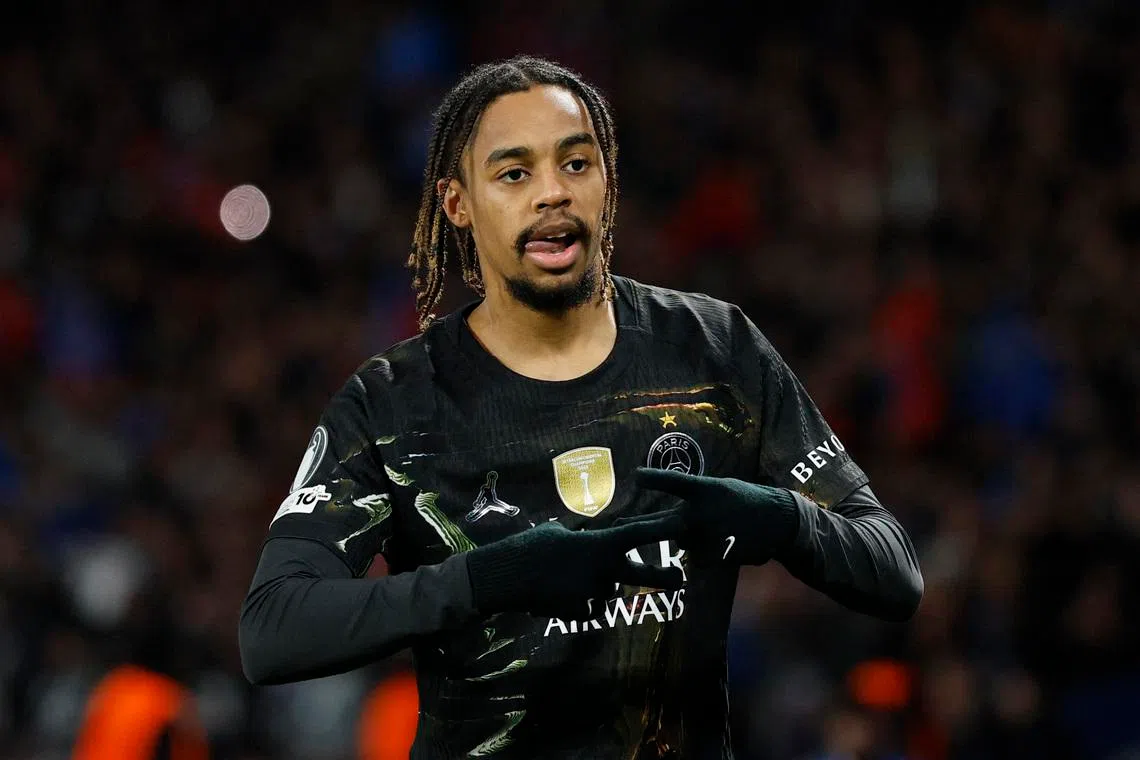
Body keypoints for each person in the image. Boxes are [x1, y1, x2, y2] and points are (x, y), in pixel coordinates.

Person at [238, 55, 923, 759]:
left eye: (576, 164)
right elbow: (274, 630)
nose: (551, 194)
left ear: (607, 185)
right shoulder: (393, 402)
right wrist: (484, 580)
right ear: (457, 204)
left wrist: (784, 522)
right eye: (514, 173)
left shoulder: (716, 350)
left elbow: (894, 570)